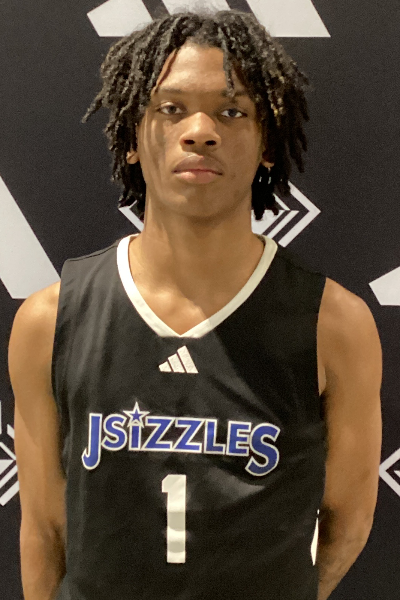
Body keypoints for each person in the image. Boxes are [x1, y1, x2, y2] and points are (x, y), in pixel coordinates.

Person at [8, 9, 382, 600]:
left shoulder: (334, 323)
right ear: (133, 138)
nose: (200, 131)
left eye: (232, 112)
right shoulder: (49, 320)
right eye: (171, 108)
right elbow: (45, 528)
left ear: (266, 144)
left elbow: (348, 519)